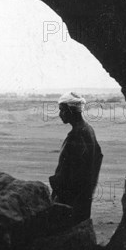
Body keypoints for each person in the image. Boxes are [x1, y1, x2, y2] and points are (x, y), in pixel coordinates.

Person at [49, 92, 103, 224]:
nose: (60, 114)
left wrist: (57, 190)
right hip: (82, 198)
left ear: (70, 110)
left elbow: (73, 174)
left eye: (62, 110)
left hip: (71, 200)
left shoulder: (77, 135)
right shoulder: (87, 130)